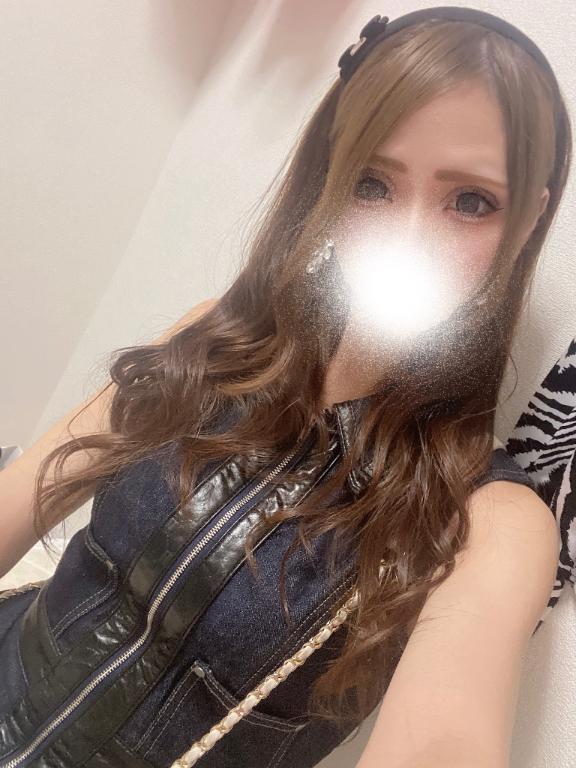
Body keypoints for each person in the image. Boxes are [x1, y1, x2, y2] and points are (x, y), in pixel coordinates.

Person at [0, 6, 572, 768]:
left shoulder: (490, 522)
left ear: (527, 220)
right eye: (372, 184)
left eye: (470, 202)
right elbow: (32, 485)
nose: (407, 239)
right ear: (330, 175)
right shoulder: (216, 340)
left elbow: (442, 742)